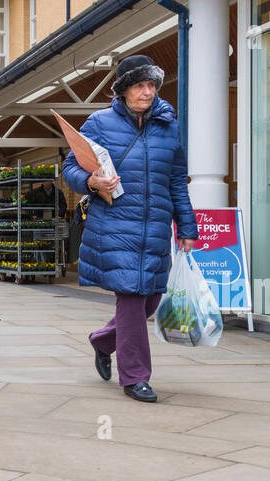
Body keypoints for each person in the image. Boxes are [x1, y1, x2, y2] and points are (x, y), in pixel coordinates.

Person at [63, 54, 197, 404]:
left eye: (152, 84)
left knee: (150, 298)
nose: (147, 91)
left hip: (154, 227)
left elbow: (176, 181)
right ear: (123, 90)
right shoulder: (99, 123)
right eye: (140, 85)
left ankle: (103, 340)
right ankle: (136, 377)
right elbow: (70, 168)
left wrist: (187, 226)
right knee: (133, 296)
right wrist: (90, 180)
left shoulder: (170, 127)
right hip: (115, 223)